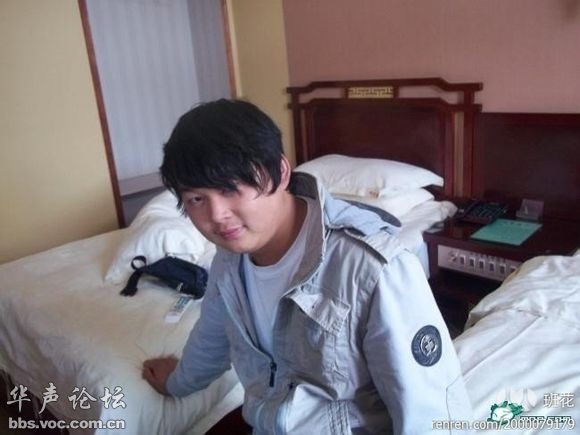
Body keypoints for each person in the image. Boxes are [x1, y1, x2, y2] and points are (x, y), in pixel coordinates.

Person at [142, 99, 473, 434]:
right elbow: (212, 336)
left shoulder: (374, 269)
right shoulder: (228, 260)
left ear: (281, 173)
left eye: (230, 188)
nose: (217, 216)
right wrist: (177, 382)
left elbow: (432, 415)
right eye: (196, 199)